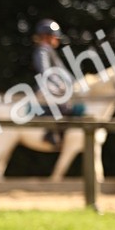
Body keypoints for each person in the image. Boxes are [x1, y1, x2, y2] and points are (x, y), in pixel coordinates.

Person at [31, 17, 85, 147]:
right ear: (47, 36)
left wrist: (76, 82)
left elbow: (63, 71)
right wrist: (59, 84)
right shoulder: (42, 50)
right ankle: (50, 132)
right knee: (63, 104)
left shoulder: (50, 51)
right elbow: (45, 71)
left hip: (53, 86)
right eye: (55, 37)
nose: (57, 39)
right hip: (46, 87)